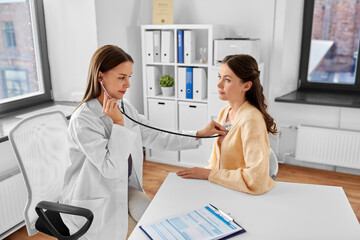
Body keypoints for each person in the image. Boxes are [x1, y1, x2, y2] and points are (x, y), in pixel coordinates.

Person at [59, 45, 226, 240]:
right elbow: (110, 168)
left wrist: (199, 134)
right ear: (100, 77)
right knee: (143, 236)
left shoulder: (124, 107)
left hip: (124, 190)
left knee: (159, 226)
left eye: (129, 77)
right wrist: (118, 125)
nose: (128, 84)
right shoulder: (84, 119)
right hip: (95, 202)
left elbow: (157, 135)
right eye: (122, 77)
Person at [177, 54, 278, 195]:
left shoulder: (251, 120)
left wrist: (208, 174)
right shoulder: (225, 111)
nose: (219, 84)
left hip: (240, 194)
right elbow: (215, 161)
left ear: (246, 85)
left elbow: (256, 180)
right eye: (219, 77)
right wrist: (205, 177)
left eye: (227, 80)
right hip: (222, 188)